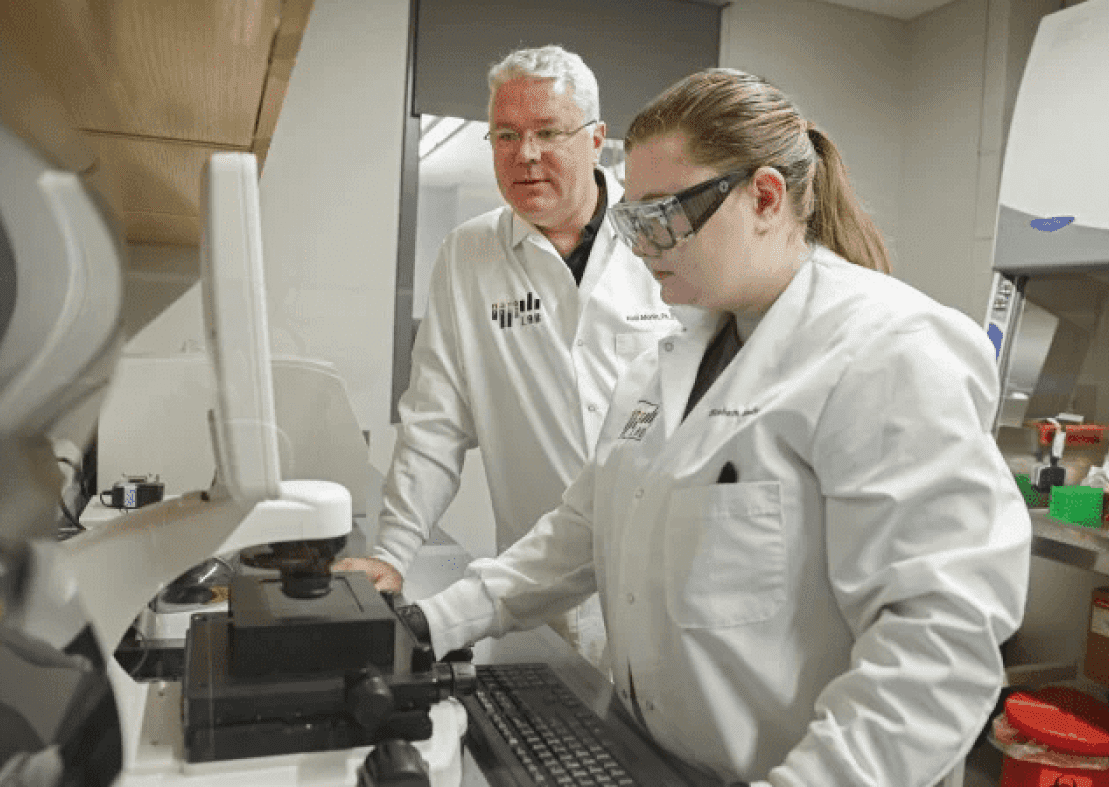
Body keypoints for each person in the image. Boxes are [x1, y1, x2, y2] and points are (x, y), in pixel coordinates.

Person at [407, 69, 1032, 786]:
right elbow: (580, 532)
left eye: (665, 217)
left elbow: (939, 648)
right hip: (652, 760)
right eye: (633, 221)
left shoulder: (889, 350)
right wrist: (435, 622)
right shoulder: (667, 362)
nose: (642, 247)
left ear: (765, 197)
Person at [333, 46, 677, 672]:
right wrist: (391, 553)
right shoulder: (469, 255)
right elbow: (434, 424)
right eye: (506, 135)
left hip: (666, 582)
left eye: (548, 132)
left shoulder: (663, 238)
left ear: (596, 138)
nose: (526, 154)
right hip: (537, 590)